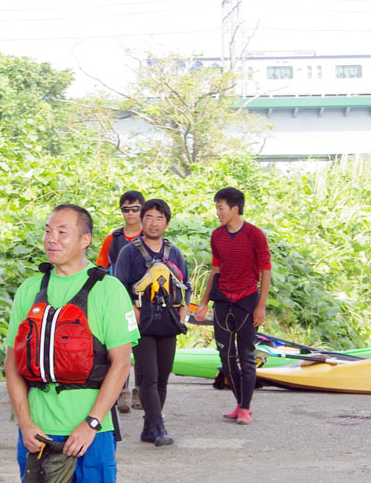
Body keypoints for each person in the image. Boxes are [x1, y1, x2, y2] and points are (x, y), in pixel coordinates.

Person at [4, 204, 138, 483]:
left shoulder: (108, 290)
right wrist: (24, 422)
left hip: (89, 432)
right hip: (40, 431)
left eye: (63, 231)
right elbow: (13, 364)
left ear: (85, 240)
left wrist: (92, 422)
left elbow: (120, 364)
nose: (51, 238)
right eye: (48, 230)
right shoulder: (30, 289)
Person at [112, 199, 190, 446]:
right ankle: (158, 426)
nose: (153, 223)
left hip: (168, 321)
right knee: (149, 377)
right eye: (149, 217)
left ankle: (149, 426)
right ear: (141, 220)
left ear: (167, 222)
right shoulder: (130, 251)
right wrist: (132, 311)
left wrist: (183, 311)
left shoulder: (174, 252)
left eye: (159, 218)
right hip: (141, 321)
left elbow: (185, 284)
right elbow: (118, 286)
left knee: (163, 376)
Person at [193, 186, 272, 425]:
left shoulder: (254, 234)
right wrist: (204, 302)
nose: (218, 212)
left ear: (234, 209)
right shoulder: (217, 235)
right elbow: (215, 270)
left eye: (221, 207)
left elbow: (265, 270)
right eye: (217, 207)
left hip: (247, 301)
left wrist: (261, 306)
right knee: (226, 356)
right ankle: (239, 403)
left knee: (246, 356)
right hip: (223, 301)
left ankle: (246, 407)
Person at [95, 190, 144, 413]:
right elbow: (101, 269)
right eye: (126, 209)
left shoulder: (150, 235)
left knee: (143, 347)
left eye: (135, 209)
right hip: (117, 298)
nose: (131, 213)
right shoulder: (112, 239)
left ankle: (141, 391)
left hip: (146, 300)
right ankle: (121, 392)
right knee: (118, 346)